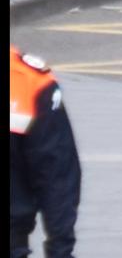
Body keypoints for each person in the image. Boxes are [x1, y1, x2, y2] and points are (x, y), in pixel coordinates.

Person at [9, 44, 80, 258]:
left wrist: (61, 249)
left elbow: (56, 174)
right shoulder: (29, 81)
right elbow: (57, 175)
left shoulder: (31, 83)